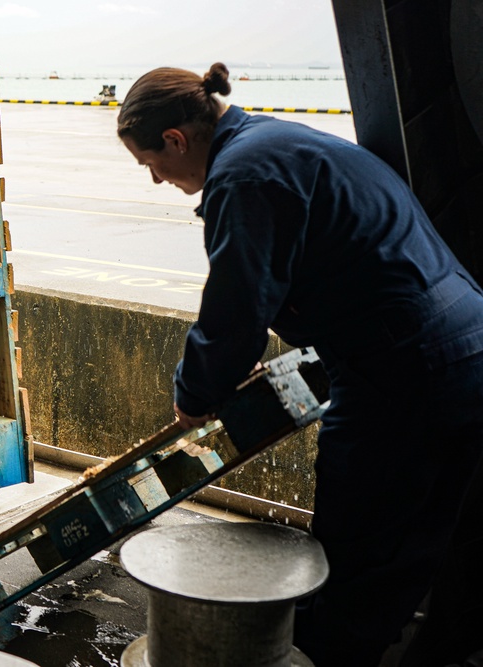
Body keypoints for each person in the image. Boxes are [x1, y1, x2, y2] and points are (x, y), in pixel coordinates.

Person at [117, 63, 483, 666]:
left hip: (401, 373)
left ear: (177, 140)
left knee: (352, 551)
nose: (156, 179)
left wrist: (194, 394)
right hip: (461, 351)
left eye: (150, 163)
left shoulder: (243, 174)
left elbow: (235, 313)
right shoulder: (285, 142)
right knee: (427, 543)